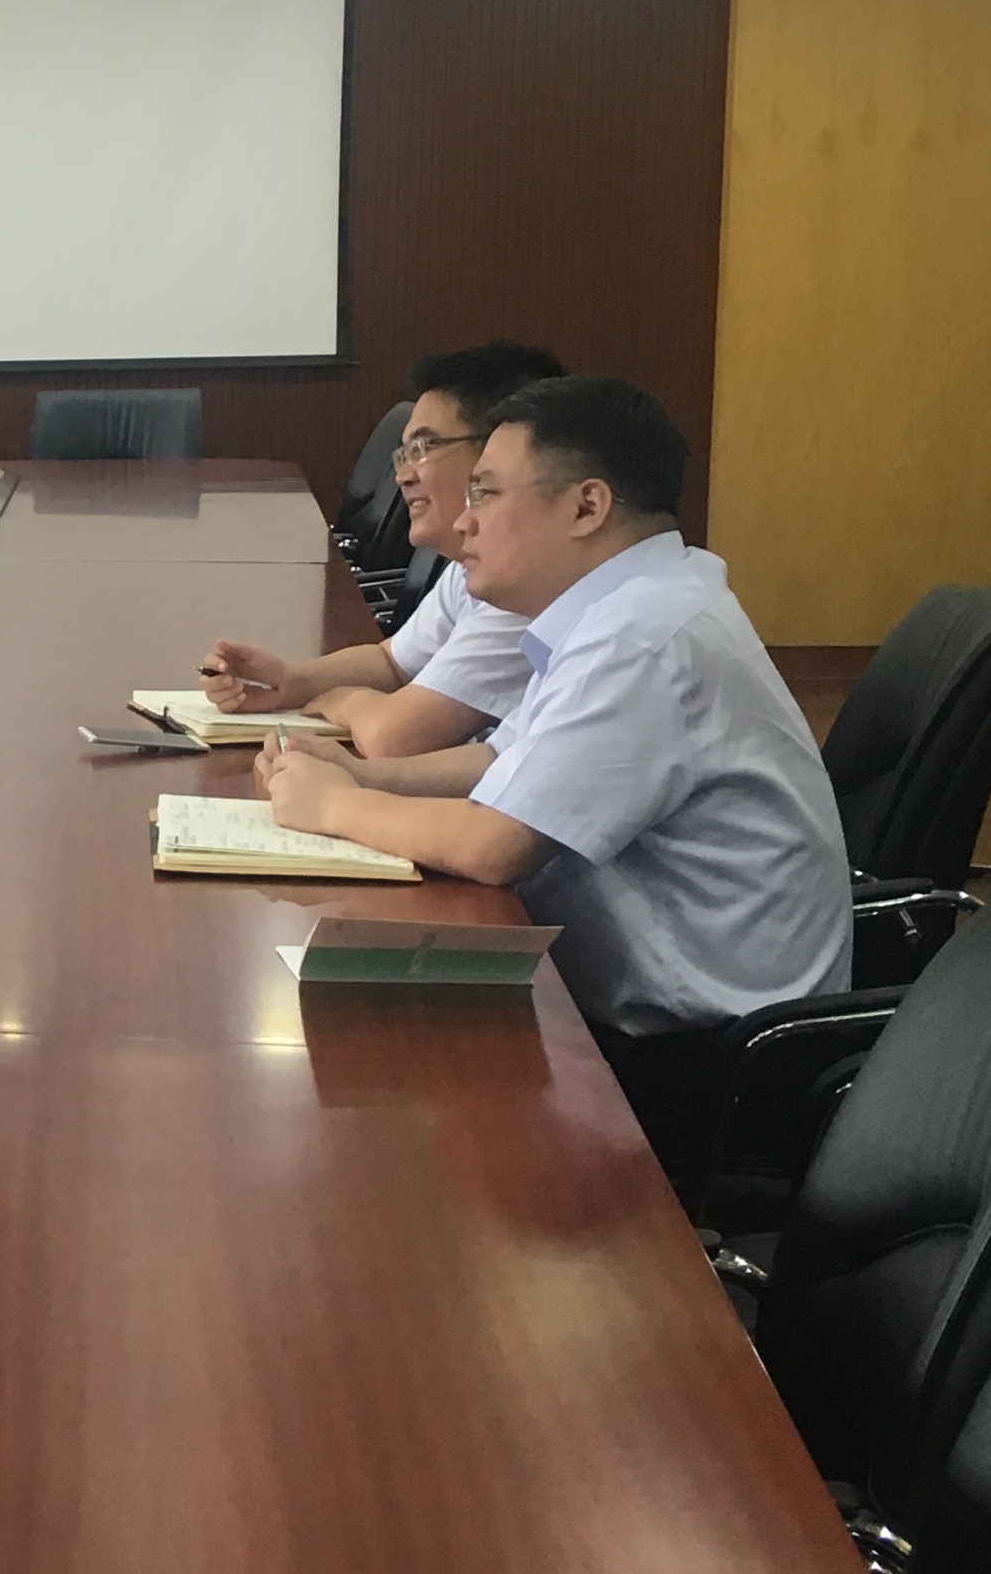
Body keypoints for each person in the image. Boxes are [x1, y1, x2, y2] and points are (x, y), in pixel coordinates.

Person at [252, 374, 849, 1176]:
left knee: (360, 1129)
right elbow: (504, 763)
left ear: (586, 506)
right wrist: (363, 776)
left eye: (488, 494)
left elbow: (497, 846)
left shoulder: (642, 636)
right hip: (633, 1009)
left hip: (699, 1061)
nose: (465, 520)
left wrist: (337, 806)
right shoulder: (623, 605)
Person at [198, 340, 559, 757]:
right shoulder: (472, 562)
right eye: (403, 454)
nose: (403, 475)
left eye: (423, 449)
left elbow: (396, 736)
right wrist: (287, 680)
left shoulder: (526, 589)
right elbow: (394, 662)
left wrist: (349, 701)